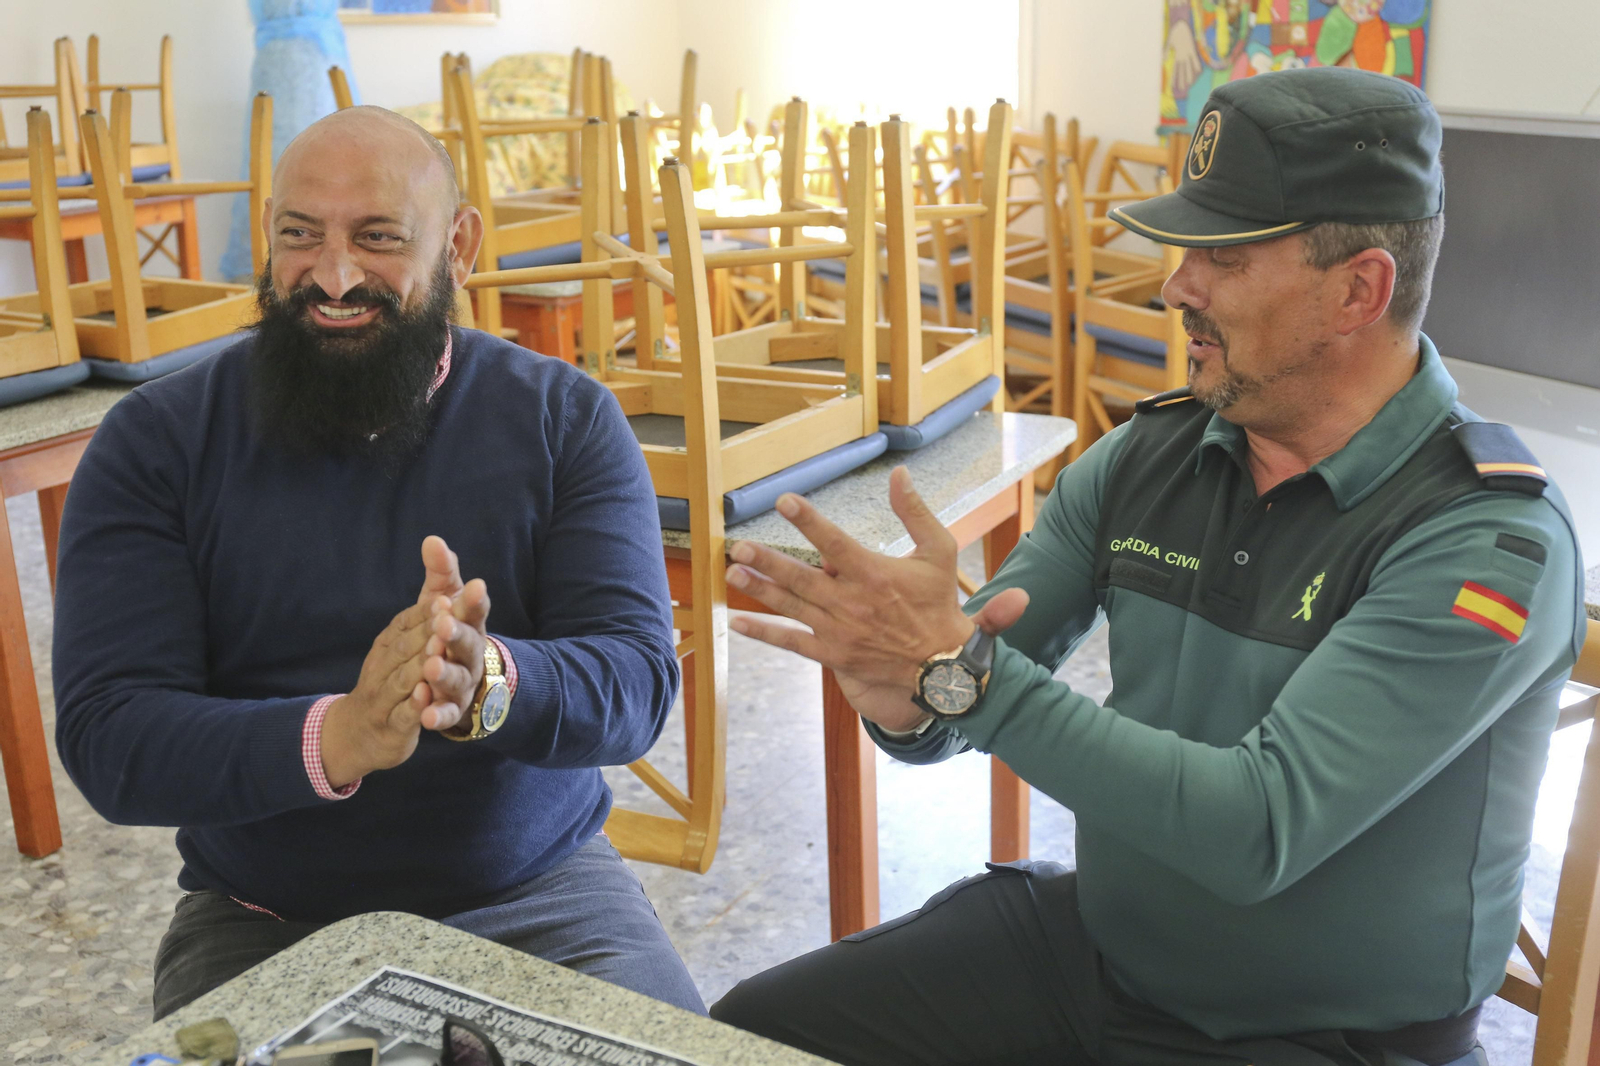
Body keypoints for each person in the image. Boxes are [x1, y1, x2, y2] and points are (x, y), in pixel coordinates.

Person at [707, 68, 1586, 1066]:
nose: (1177, 286)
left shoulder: (1487, 538)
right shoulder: (1150, 455)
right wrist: (903, 698)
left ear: (1357, 290)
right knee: (749, 1040)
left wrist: (958, 676)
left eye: (1225, 256)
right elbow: (967, 668)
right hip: (1102, 960)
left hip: (1326, 1038)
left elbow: (1255, 827)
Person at [52, 106, 704, 1019]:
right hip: (264, 918)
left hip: (545, 899)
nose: (334, 275)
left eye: (378, 237)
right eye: (299, 235)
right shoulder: (157, 442)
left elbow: (635, 688)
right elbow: (111, 741)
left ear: (460, 245)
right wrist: (342, 736)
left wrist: (493, 683)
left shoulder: (565, 419)